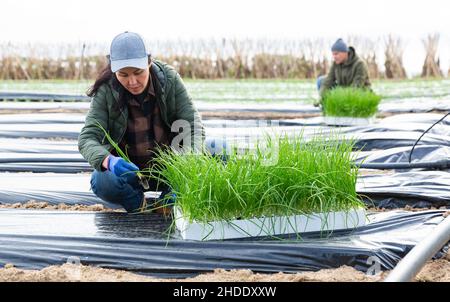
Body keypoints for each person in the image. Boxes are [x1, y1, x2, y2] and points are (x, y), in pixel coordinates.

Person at [78, 32, 204, 213]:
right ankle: (137, 204)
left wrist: (186, 165)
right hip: (129, 174)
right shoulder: (106, 90)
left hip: (170, 169)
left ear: (149, 62)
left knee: (218, 151)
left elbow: (193, 127)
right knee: (102, 181)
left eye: (138, 73)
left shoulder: (168, 79)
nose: (132, 81)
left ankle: (168, 201)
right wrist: (110, 161)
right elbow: (87, 138)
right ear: (114, 70)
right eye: (123, 75)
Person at [315, 38, 371, 106]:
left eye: (336, 54)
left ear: (345, 53)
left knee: (356, 93)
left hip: (359, 92)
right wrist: (320, 97)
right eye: (333, 54)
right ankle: (326, 106)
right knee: (321, 80)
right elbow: (328, 81)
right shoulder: (336, 64)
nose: (334, 57)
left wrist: (342, 97)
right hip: (343, 89)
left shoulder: (359, 64)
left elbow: (357, 86)